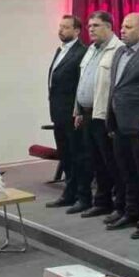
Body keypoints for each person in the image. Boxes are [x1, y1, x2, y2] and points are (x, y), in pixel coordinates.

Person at [104, 13, 139, 235]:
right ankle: (130, 211)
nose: (122, 30)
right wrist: (110, 118)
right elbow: (115, 87)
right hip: (119, 122)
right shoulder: (120, 52)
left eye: (128, 27)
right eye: (122, 26)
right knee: (126, 171)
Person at [70, 11, 123, 216]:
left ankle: (118, 205)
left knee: (111, 162)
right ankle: (101, 202)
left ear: (109, 27)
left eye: (96, 25)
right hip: (87, 113)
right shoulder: (91, 49)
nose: (91, 29)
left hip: (104, 115)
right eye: (89, 25)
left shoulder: (118, 49)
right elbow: (83, 81)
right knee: (95, 161)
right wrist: (78, 110)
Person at [45, 14, 87, 209]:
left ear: (77, 31)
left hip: (72, 113)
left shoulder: (82, 52)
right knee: (65, 155)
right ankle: (69, 192)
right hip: (58, 112)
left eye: (66, 27)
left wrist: (79, 111)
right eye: (60, 26)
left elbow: (81, 84)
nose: (61, 30)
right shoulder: (60, 50)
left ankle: (79, 194)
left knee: (77, 155)